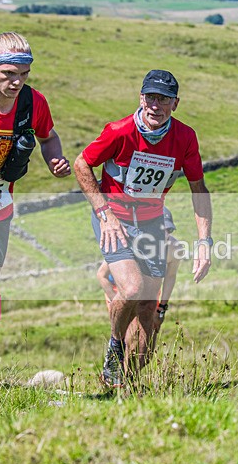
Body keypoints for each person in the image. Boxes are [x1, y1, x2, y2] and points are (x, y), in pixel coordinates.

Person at [74, 70, 212, 388]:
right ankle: (114, 347)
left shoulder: (185, 137)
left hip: (151, 222)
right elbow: (82, 163)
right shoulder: (118, 131)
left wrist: (205, 242)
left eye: (163, 99)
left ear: (175, 103)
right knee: (132, 288)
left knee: (148, 307)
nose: (155, 106)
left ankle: (128, 383)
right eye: (150, 97)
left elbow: (199, 189)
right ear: (141, 98)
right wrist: (103, 213)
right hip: (114, 220)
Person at [0, 32, 71, 344]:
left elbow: (48, 138)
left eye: (24, 74)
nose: (17, 82)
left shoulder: (33, 102)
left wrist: (55, 160)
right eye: (9, 73)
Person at [97, 206, 181, 340]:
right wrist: (117, 303)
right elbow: (102, 275)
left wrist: (161, 308)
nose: (165, 235)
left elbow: (170, 276)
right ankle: (117, 347)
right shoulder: (131, 242)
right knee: (128, 333)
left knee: (150, 330)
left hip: (149, 287)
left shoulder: (174, 248)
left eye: (169, 230)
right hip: (120, 290)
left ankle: (145, 354)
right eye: (161, 230)